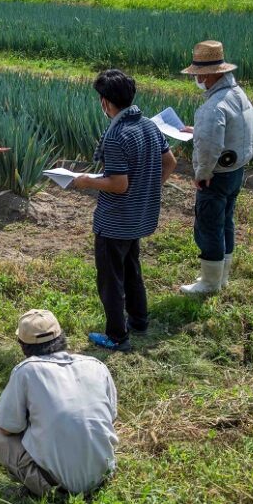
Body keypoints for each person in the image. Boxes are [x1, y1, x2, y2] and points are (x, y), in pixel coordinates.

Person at [72, 70, 176, 352]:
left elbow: (118, 184)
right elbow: (170, 162)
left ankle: (117, 336)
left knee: (110, 280)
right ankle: (139, 321)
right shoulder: (149, 126)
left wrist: (85, 181)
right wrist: (148, 187)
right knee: (132, 269)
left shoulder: (117, 135)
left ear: (105, 102)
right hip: (140, 216)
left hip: (115, 221)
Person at [0, 309, 118, 496]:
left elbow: (5, 428)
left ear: (22, 345)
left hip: (57, 488)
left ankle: (38, 485)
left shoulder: (26, 372)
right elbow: (111, 416)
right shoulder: (96, 365)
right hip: (103, 476)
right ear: (61, 336)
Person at [178, 41, 253, 295]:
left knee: (209, 225)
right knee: (226, 221)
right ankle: (222, 278)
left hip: (216, 176)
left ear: (210, 74)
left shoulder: (213, 106)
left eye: (198, 75)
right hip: (236, 170)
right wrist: (197, 129)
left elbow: (210, 148)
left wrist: (202, 174)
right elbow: (230, 129)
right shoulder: (237, 94)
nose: (197, 79)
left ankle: (209, 283)